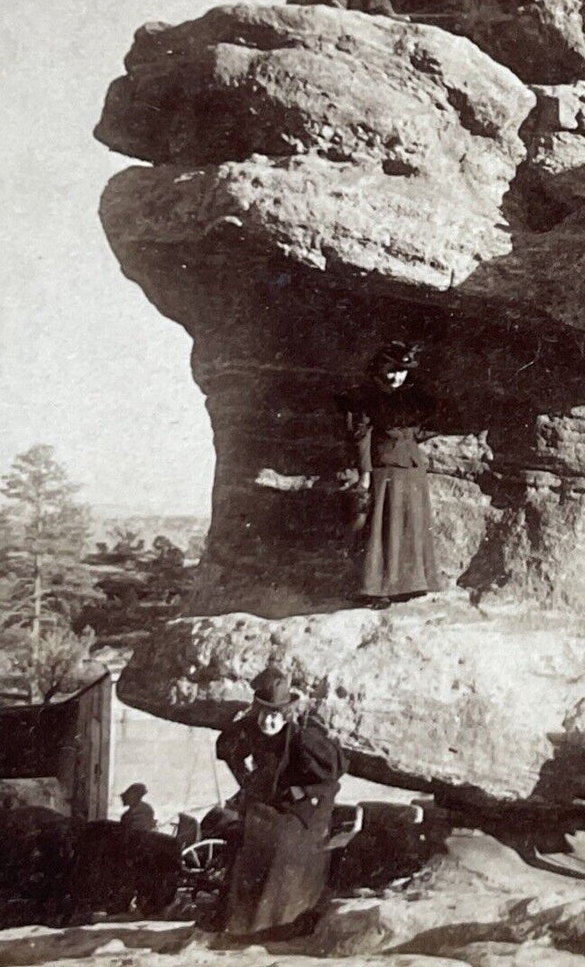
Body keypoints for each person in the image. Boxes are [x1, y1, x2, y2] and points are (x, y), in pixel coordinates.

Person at [213, 667, 345, 938]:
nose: (269, 722)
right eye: (264, 714)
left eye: (276, 715)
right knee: (248, 831)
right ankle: (239, 919)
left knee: (281, 842)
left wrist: (300, 793)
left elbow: (330, 775)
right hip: (273, 804)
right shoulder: (251, 730)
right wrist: (246, 781)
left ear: (285, 714)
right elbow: (229, 750)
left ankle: (275, 922)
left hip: (305, 808)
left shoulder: (302, 737)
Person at [345, 342, 441, 603]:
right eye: (392, 370)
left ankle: (409, 584)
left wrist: (414, 436)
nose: (397, 376)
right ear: (380, 367)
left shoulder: (410, 395)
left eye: (403, 371)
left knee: (410, 526)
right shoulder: (366, 397)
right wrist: (365, 473)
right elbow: (361, 438)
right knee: (382, 531)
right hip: (385, 471)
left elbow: (421, 428)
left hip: (411, 469)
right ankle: (378, 589)